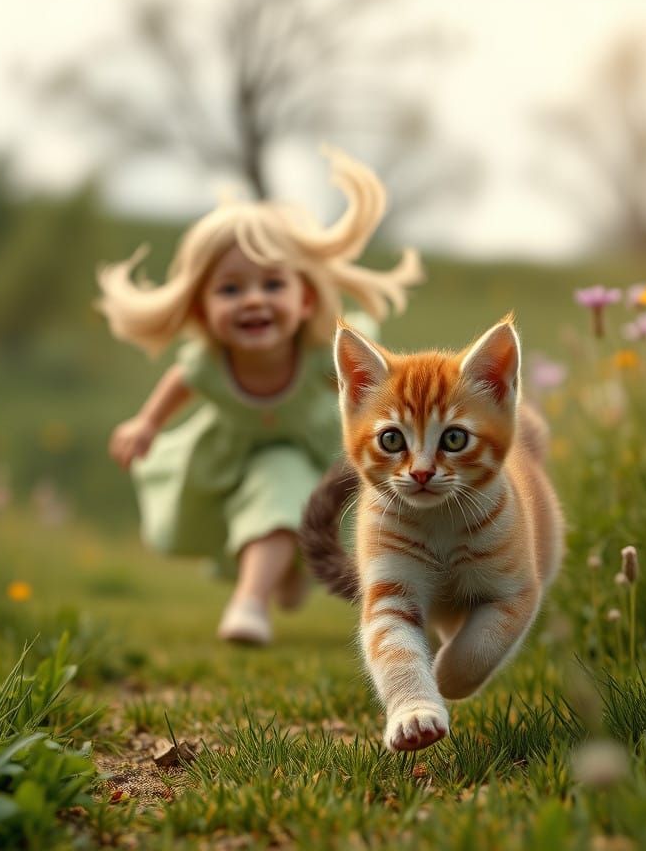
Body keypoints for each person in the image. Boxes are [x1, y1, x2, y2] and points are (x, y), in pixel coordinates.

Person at [98, 148, 422, 644]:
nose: (253, 299)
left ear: (305, 299)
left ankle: (280, 582)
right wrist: (146, 424)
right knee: (272, 491)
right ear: (202, 310)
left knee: (288, 491)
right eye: (230, 289)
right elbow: (180, 384)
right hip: (235, 463)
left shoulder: (320, 355)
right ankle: (254, 598)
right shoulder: (208, 363)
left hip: (319, 457)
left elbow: (379, 386)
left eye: (273, 284)